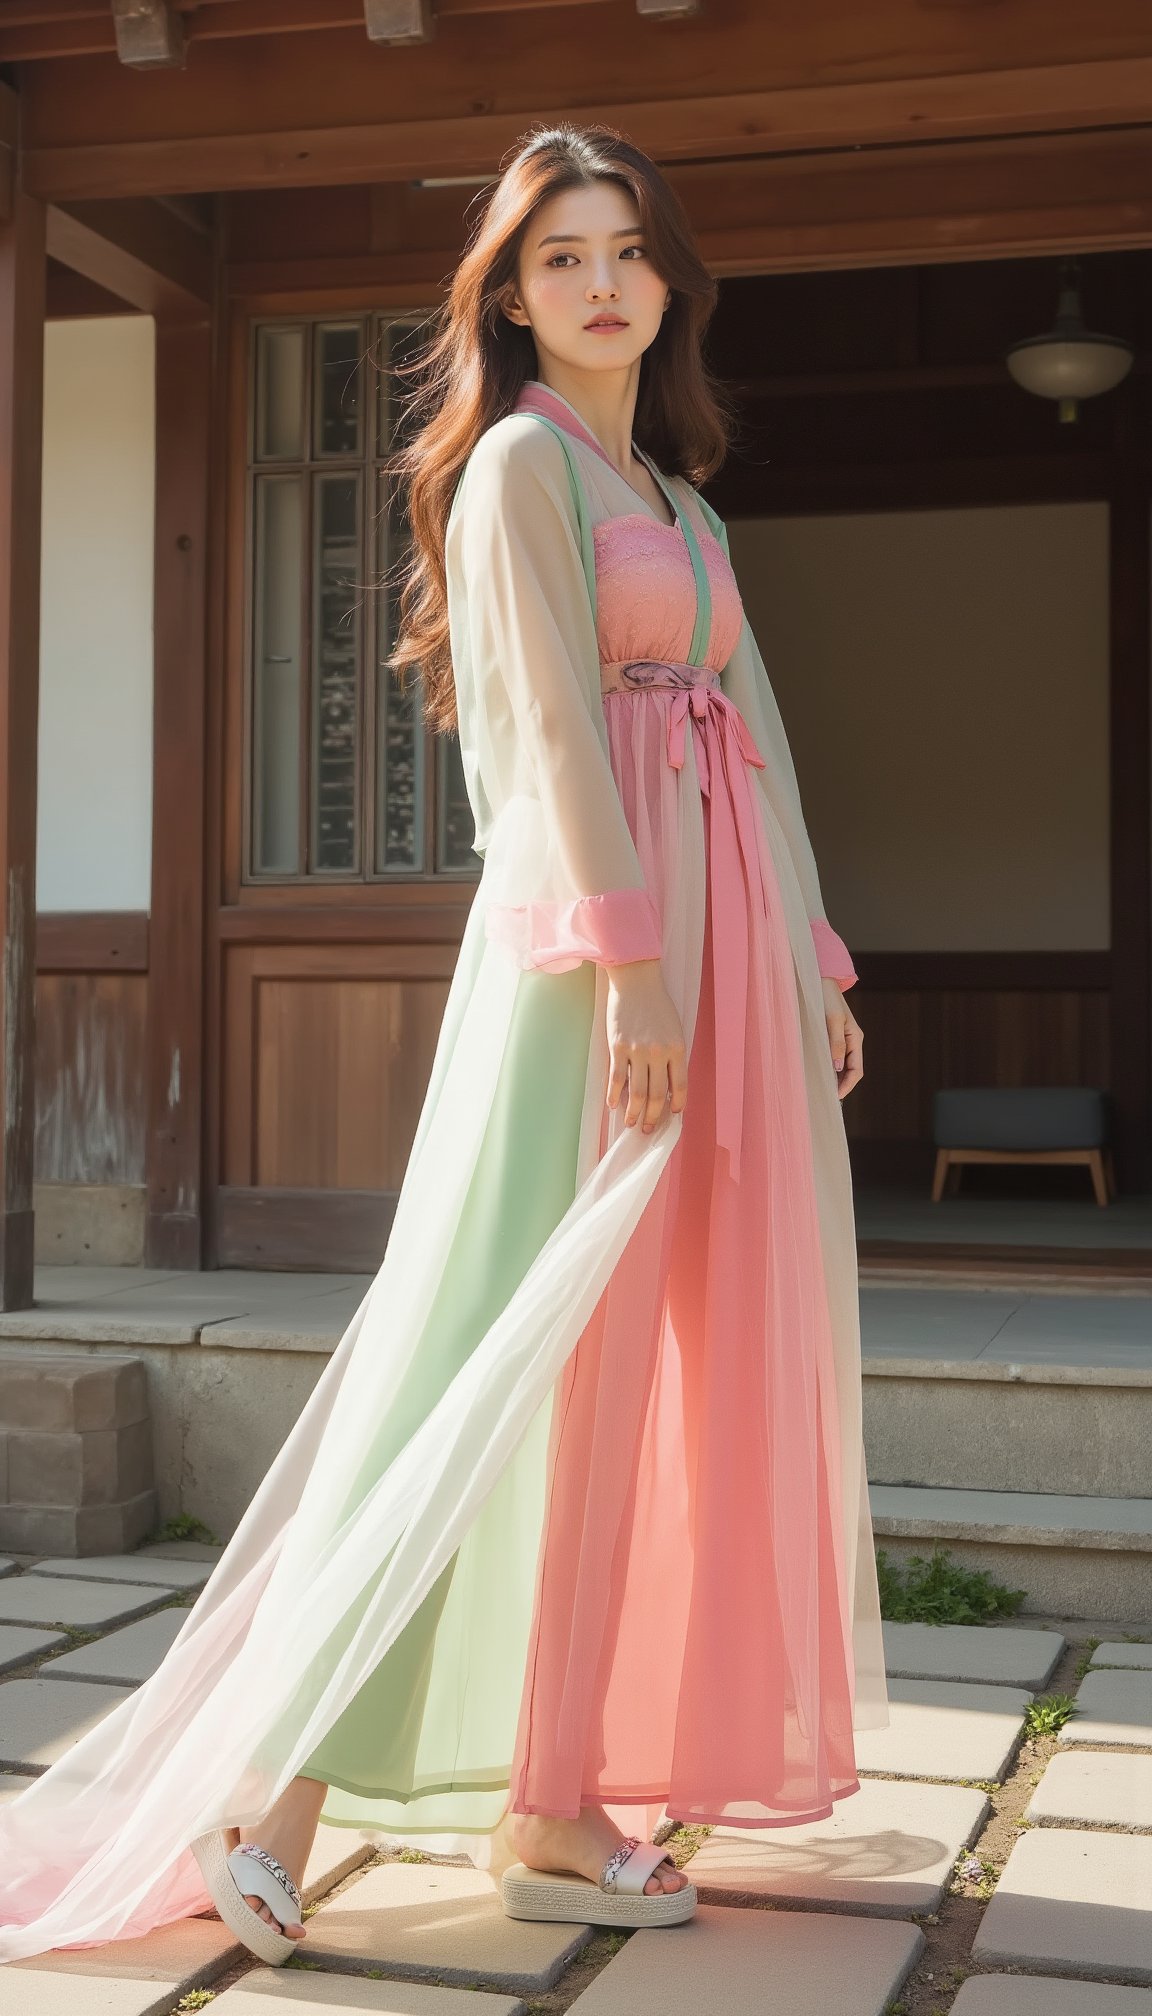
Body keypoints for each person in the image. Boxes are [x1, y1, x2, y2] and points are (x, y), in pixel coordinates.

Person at [0, 121, 887, 1967]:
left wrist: (806, 968)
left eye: (627, 250)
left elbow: (765, 742)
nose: (602, 284)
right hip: (593, 969)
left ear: (667, 281)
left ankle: (556, 1805)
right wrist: (635, 964)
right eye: (561, 256)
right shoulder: (517, 474)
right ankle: (276, 1793)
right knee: (483, 1341)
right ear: (511, 291)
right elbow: (552, 740)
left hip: (714, 980)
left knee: (634, 1376)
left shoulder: (693, 511)